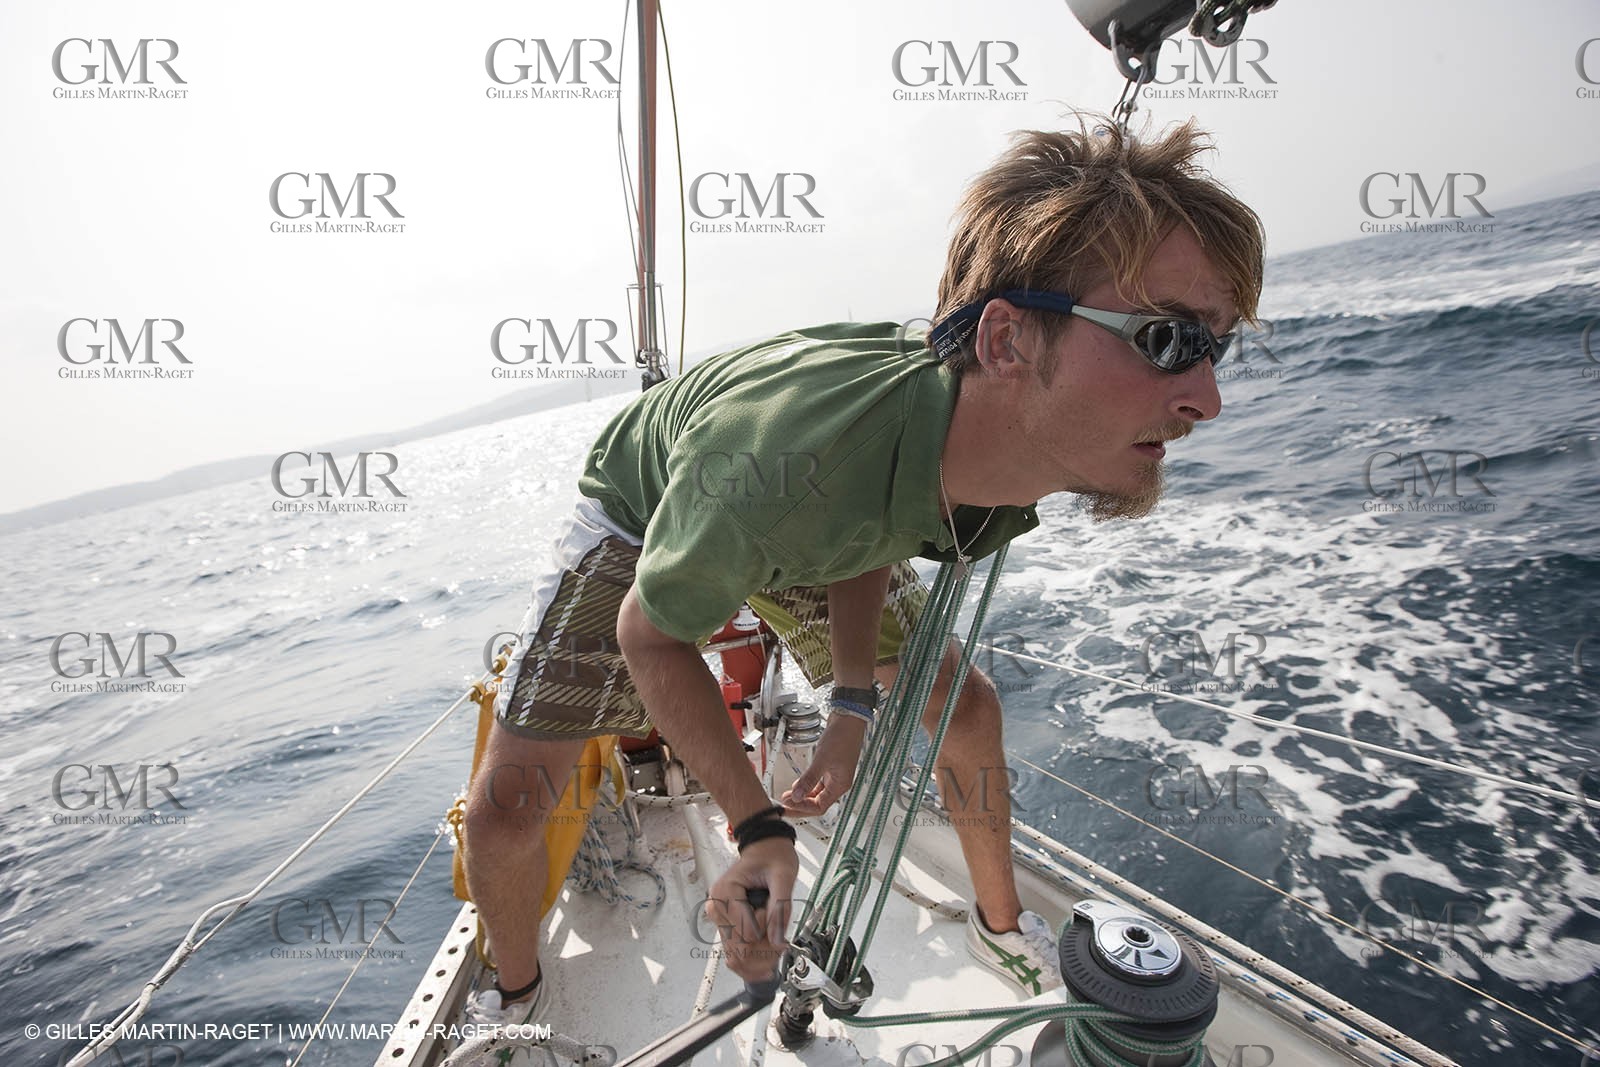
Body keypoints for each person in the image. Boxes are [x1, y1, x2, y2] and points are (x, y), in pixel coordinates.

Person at [459, 115, 1265, 1029]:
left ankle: (999, 925)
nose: (1208, 399)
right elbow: (651, 631)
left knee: (964, 707)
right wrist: (758, 827)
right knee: (505, 810)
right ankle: (514, 999)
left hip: (800, 502)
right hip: (649, 506)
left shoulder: (981, 460)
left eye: (1216, 345)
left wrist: (850, 705)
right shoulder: (796, 456)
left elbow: (874, 526)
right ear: (1004, 342)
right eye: (1165, 340)